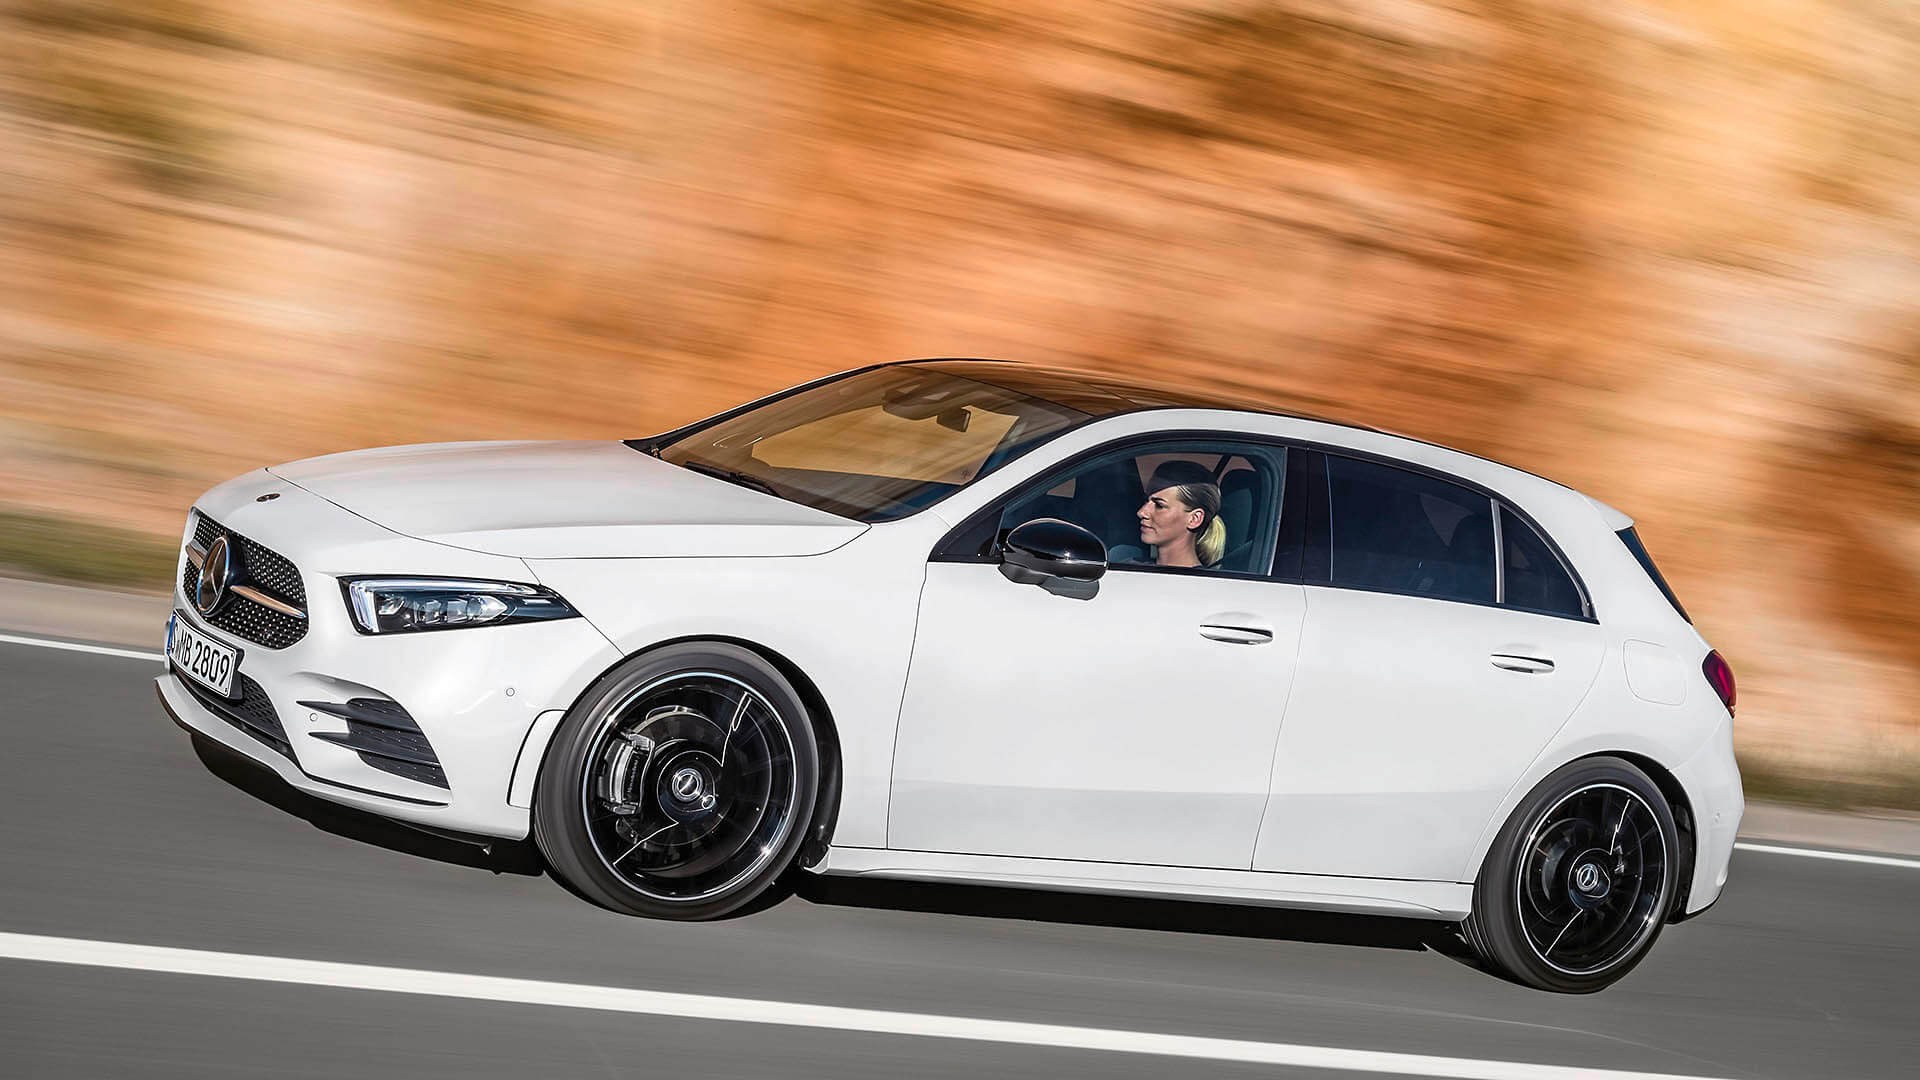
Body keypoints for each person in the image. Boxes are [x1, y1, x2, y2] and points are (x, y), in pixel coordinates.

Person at [1110, 460, 1224, 568]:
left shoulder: (1203, 582)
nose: (1141, 512)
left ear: (1194, 519)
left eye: (1159, 505)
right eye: (1146, 500)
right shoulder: (1128, 567)